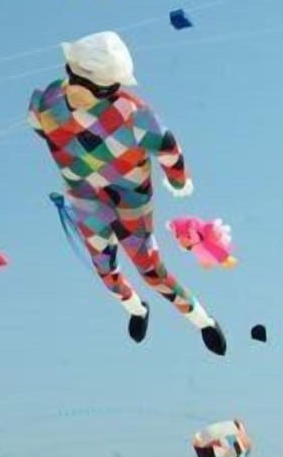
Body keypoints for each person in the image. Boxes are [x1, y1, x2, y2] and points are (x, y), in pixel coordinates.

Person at [30, 31, 227, 356]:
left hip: (129, 203)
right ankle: (136, 309)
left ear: (110, 88)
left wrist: (178, 181)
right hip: (84, 200)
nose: (79, 90)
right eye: (75, 78)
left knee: (151, 269)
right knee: (105, 270)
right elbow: (42, 129)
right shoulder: (46, 101)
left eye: (95, 88)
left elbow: (169, 148)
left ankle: (202, 320)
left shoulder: (135, 116)